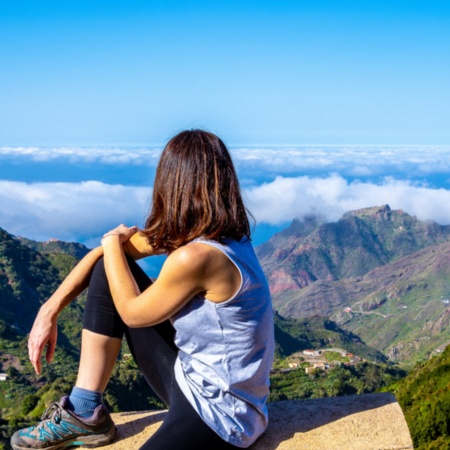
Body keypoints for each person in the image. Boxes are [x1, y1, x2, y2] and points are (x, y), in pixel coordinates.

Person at [11, 129, 275, 450]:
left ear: (171, 182)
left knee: (115, 264)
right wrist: (49, 309)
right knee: (109, 269)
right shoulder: (213, 234)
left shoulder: (199, 256)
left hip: (222, 413)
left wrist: (111, 243)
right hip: (190, 379)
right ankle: (82, 412)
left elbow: (132, 314)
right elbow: (102, 260)